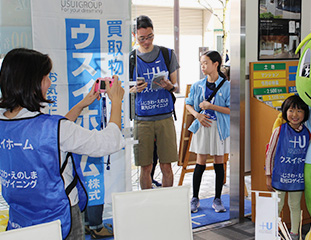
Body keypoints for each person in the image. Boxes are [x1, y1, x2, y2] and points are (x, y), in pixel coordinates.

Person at [0, 48, 125, 240]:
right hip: (59, 218)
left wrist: (83, 103)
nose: (50, 82)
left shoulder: (5, 123)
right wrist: (116, 102)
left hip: (21, 219)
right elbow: (108, 142)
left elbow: (50, 137)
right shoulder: (55, 129)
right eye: (46, 76)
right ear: (33, 82)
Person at [129, 15, 179, 189]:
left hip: (165, 117)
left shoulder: (167, 54)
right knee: (145, 166)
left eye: (150, 36)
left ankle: (167, 202)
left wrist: (169, 86)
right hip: (142, 119)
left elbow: (176, 86)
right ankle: (147, 205)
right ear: (134, 35)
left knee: (167, 165)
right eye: (142, 38)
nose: (147, 41)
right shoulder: (130, 59)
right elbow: (124, 89)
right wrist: (134, 89)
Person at [186, 50, 230, 213]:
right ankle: (195, 198)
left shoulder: (226, 86)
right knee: (200, 161)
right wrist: (197, 115)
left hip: (219, 128)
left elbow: (231, 110)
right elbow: (188, 103)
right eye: (201, 63)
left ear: (215, 64)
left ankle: (217, 199)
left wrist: (211, 107)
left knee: (219, 162)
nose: (203, 66)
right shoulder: (198, 85)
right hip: (202, 127)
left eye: (206, 63)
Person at [265, 95, 310, 240]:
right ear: (285, 112)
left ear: (305, 113)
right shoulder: (279, 130)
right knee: (277, 206)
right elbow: (270, 153)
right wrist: (268, 175)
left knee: (295, 206)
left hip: (298, 177)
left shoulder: (308, 133)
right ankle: (272, 232)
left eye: (299, 111)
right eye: (291, 110)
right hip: (280, 176)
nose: (295, 115)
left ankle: (295, 234)